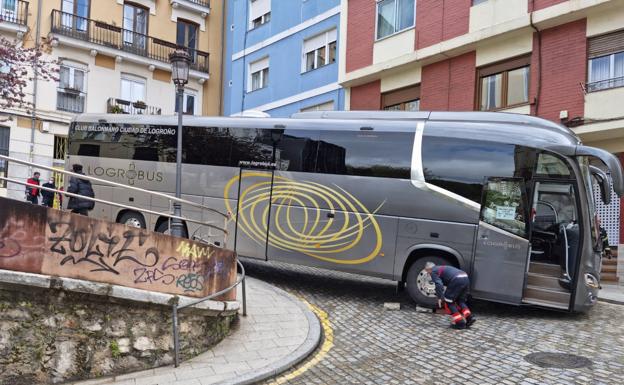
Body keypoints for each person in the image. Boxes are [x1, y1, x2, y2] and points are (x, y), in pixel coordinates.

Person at [425, 262, 475, 330]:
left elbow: (439, 284)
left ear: (429, 269)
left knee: (449, 302)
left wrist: (440, 297)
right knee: (460, 301)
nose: (428, 274)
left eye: (427, 271)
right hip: (465, 277)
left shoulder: (433, 271)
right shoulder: (441, 267)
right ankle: (469, 318)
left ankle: (460, 323)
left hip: (457, 280)